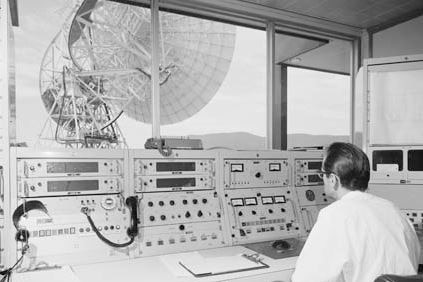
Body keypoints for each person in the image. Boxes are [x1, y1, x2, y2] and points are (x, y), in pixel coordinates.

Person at [291, 142, 420, 282]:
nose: (322, 178)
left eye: (322, 174)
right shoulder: (394, 210)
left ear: (333, 180)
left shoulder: (334, 215)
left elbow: (305, 278)